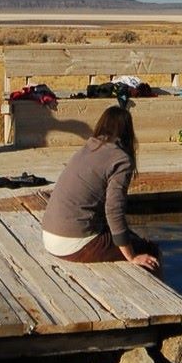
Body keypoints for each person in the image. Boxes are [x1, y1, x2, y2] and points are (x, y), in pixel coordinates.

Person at [41, 105, 162, 271]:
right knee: (150, 251)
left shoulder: (88, 148)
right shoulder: (121, 160)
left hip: (49, 236)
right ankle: (156, 295)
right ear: (128, 131)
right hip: (73, 244)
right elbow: (114, 211)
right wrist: (132, 257)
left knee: (130, 237)